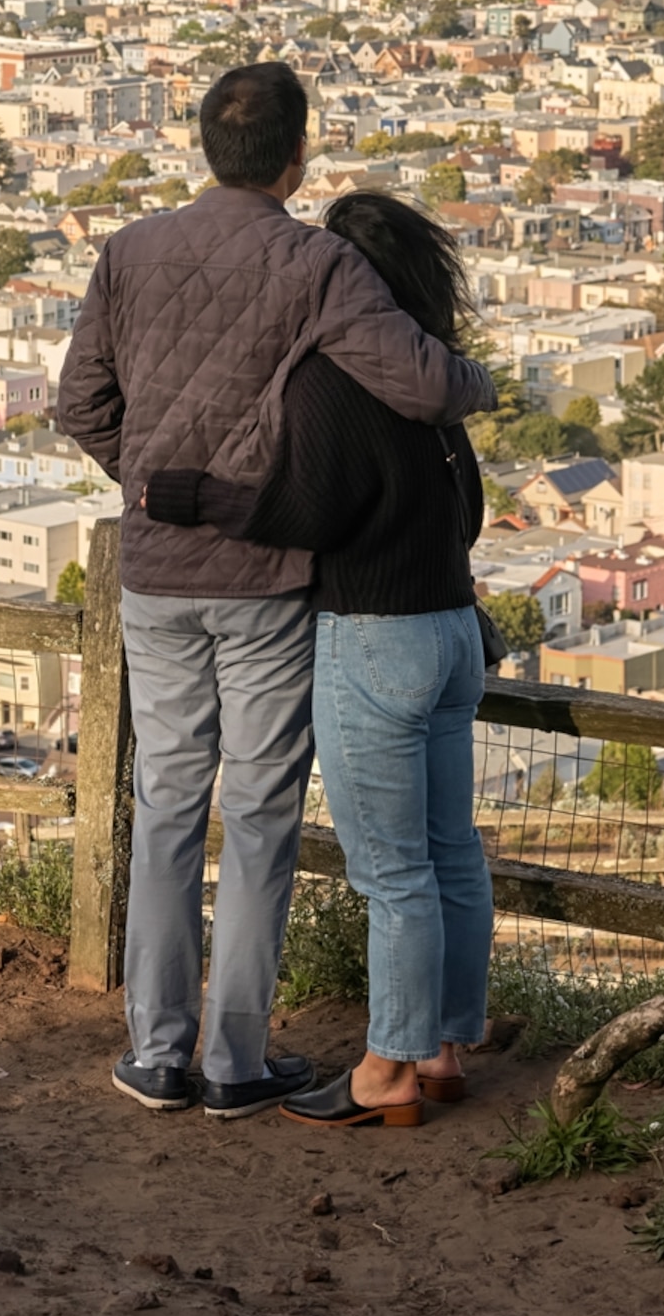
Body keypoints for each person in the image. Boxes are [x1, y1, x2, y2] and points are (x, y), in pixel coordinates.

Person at [57, 64, 494, 1120]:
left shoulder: (128, 252)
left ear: (206, 147)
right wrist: (480, 379)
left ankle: (156, 1050)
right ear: (297, 155)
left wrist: (159, 486)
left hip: (158, 575)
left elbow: (79, 404)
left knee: (165, 801)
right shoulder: (317, 264)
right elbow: (428, 385)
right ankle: (233, 1063)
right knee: (257, 811)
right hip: (269, 580)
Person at [145, 193, 493, 1130]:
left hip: (373, 632)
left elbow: (305, 515)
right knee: (453, 850)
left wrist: (200, 498)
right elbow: (469, 513)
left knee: (391, 875)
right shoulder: (434, 381)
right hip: (454, 631)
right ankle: (449, 1047)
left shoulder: (333, 378)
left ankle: (387, 1067)